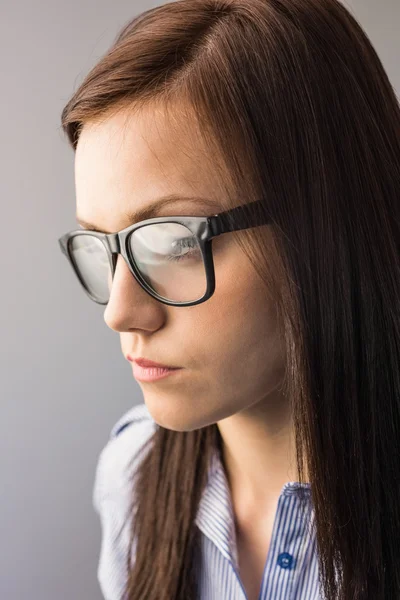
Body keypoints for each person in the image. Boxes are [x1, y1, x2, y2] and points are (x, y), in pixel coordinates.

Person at [58, 0, 400, 598]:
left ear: (325, 228)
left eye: (171, 241)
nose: (120, 312)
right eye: (102, 245)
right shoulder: (132, 475)